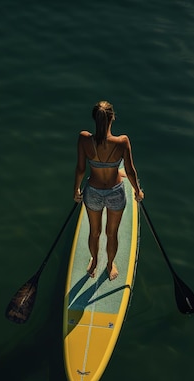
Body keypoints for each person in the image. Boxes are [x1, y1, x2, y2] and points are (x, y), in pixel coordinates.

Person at [73, 101, 144, 280]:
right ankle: (110, 265)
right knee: (111, 233)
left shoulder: (84, 139)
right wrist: (137, 191)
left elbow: (81, 168)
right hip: (115, 192)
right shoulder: (122, 141)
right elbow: (130, 171)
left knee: (94, 232)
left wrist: (76, 189)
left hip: (93, 192)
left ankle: (94, 262)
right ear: (112, 118)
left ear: (94, 118)